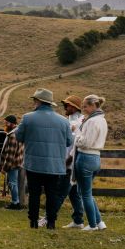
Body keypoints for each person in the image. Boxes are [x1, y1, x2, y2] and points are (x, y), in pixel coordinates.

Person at [15, 88, 72, 229]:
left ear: (39, 101)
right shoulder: (64, 121)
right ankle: (51, 222)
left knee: (34, 194)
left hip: (34, 164)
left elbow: (18, 137)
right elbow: (69, 141)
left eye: (35, 100)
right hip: (55, 165)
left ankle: (33, 222)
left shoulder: (28, 118)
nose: (34, 102)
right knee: (51, 194)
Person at [74, 94, 108, 231]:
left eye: (85, 106)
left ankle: (93, 225)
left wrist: (76, 135)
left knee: (84, 193)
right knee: (87, 192)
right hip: (96, 158)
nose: (83, 109)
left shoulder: (92, 122)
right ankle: (99, 222)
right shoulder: (101, 120)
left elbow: (86, 142)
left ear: (94, 105)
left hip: (86, 157)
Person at [51, 95, 86, 229]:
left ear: (73, 107)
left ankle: (49, 217)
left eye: (67, 105)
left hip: (69, 163)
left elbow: (73, 145)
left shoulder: (77, 123)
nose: (65, 107)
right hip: (70, 162)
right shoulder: (71, 121)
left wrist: (67, 161)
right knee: (74, 193)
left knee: (60, 192)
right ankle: (78, 220)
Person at [0, 115, 24, 210]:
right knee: (13, 183)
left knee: (12, 183)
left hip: (13, 164)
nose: (5, 124)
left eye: (6, 122)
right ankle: (16, 202)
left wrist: (4, 168)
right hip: (17, 162)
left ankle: (15, 203)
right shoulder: (17, 132)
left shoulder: (13, 135)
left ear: (11, 123)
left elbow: (10, 154)